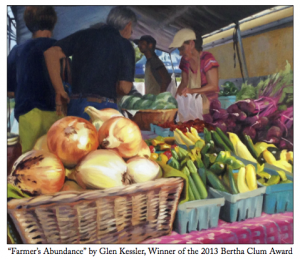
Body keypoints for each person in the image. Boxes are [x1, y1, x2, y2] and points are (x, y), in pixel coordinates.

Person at [44, 6, 137, 120]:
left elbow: (50, 53)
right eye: (132, 27)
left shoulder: (84, 35)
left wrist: (59, 91)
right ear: (128, 25)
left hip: (76, 106)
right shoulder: (125, 45)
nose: (131, 32)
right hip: (104, 107)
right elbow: (125, 88)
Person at [7, 6, 62, 153]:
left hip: (28, 112)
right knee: (58, 157)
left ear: (29, 23)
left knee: (30, 160)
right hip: (57, 111)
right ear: (53, 22)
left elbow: (9, 91)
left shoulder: (17, 51)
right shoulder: (60, 48)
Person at [169, 28, 219, 114]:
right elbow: (184, 83)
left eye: (182, 48)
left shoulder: (207, 59)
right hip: (193, 106)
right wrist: (175, 101)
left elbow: (213, 86)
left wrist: (191, 91)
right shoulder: (184, 61)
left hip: (210, 108)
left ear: (192, 44)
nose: (180, 53)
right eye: (179, 49)